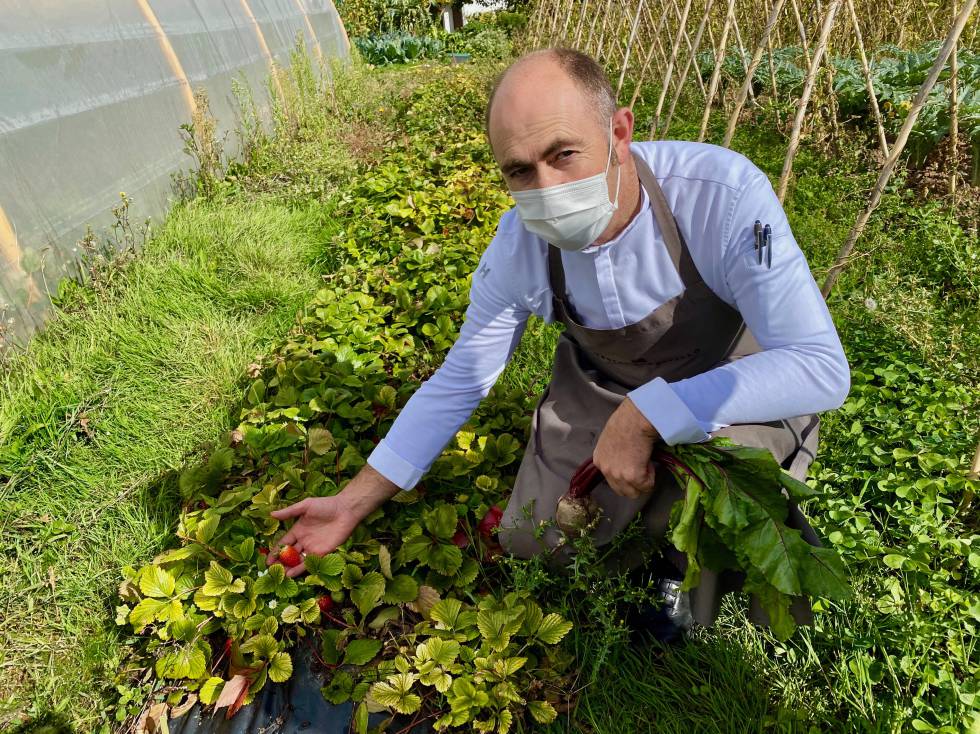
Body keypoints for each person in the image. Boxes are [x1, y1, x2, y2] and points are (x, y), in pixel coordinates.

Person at [266, 47, 850, 639]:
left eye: (563, 155)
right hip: (605, 378)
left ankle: (676, 572)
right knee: (533, 538)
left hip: (727, 369)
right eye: (520, 171)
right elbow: (462, 377)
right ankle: (637, 541)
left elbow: (819, 367)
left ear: (619, 132)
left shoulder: (718, 196)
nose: (546, 189)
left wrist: (651, 413)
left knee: (706, 502)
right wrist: (353, 501)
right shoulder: (518, 247)